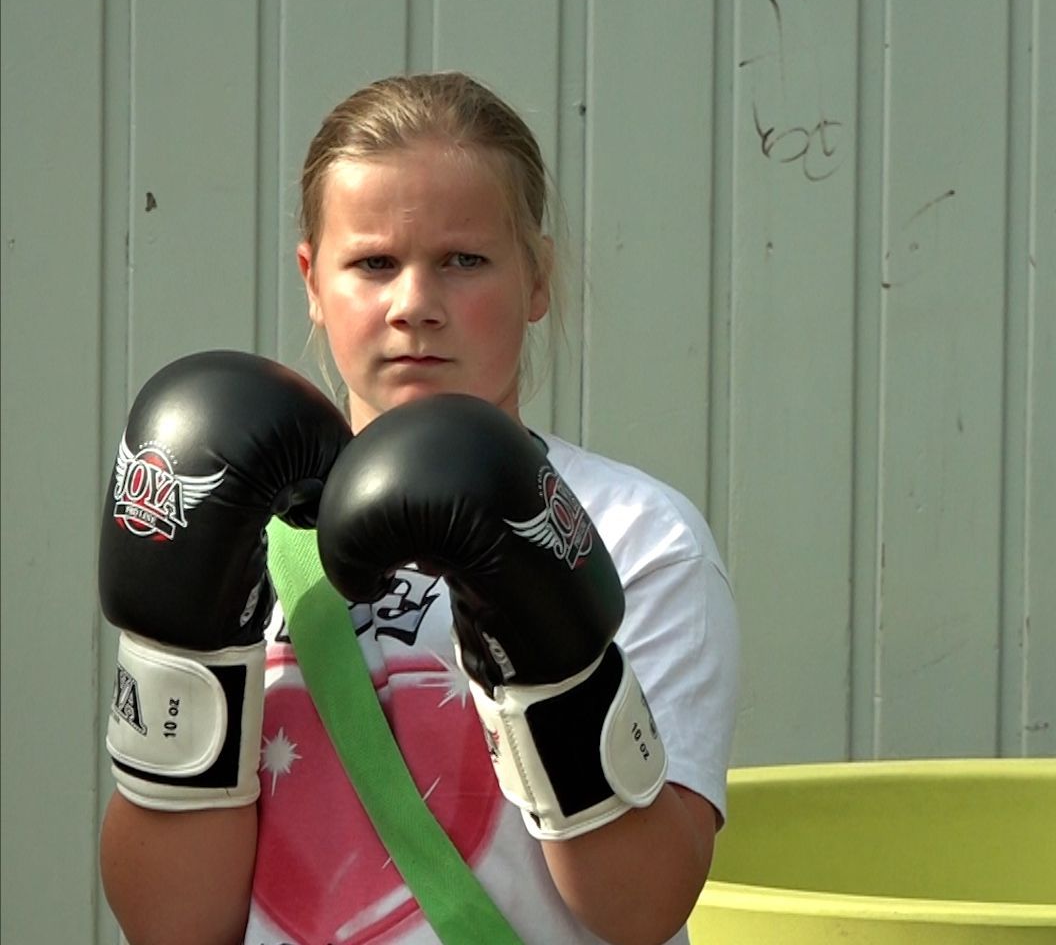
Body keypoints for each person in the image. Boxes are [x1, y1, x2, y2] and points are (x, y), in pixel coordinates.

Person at [98, 71, 741, 945]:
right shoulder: (235, 517)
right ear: (313, 283)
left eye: (464, 260)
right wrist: (182, 643)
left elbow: (642, 909)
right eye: (372, 263)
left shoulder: (632, 533)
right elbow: (170, 923)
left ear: (538, 279)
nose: (414, 306)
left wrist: (551, 653)